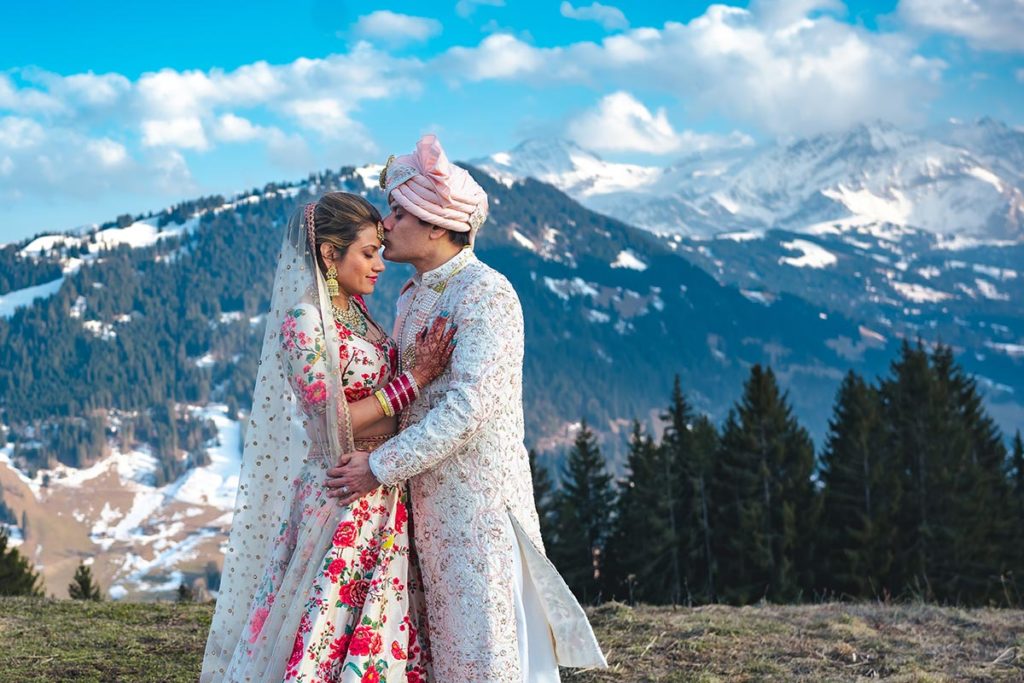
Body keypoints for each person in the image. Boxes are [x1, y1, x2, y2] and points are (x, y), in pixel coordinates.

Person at [327, 135, 607, 682]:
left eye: (399, 211)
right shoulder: (414, 293)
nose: (385, 224)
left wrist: (378, 467)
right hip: (425, 509)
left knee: (486, 651)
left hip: (477, 510)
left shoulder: (487, 293)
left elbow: (467, 410)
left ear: (435, 225)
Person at [200, 192, 455, 682]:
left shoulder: (358, 313)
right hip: (339, 490)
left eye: (381, 250)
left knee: (380, 621)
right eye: (368, 252)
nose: (380, 263)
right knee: (326, 624)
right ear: (328, 255)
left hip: (382, 485)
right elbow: (329, 420)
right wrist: (414, 381)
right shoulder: (305, 320)